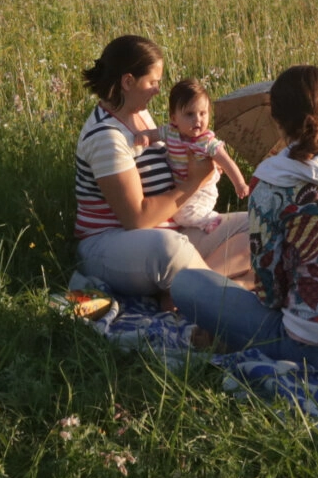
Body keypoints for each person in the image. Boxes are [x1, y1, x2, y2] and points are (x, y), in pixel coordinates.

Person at [169, 65, 318, 372]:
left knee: (186, 283)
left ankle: (237, 339)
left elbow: (270, 292)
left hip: (315, 351)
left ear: (275, 118)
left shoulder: (270, 182)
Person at [73, 35, 248, 299]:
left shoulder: (139, 114)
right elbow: (137, 219)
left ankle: (191, 292)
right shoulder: (106, 136)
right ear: (128, 81)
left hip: (170, 230)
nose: (158, 90)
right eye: (153, 82)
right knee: (169, 249)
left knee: (260, 226)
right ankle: (222, 294)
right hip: (111, 244)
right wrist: (194, 182)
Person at [162, 78, 253, 240]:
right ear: (174, 118)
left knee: (181, 215)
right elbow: (152, 134)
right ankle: (199, 222)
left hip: (203, 189)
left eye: (203, 113)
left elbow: (226, 162)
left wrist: (239, 184)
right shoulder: (171, 132)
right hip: (184, 185)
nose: (198, 120)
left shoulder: (206, 142)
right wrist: (143, 137)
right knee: (177, 213)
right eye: (189, 114)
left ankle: (209, 220)